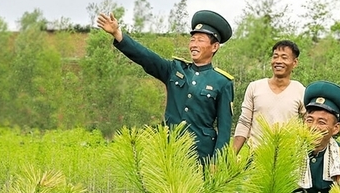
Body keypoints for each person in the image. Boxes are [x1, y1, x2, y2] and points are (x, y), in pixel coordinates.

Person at [96, 10, 235, 159]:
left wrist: (217, 162)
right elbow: (146, 57)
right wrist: (118, 34)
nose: (194, 45)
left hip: (201, 156)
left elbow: (224, 129)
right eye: (192, 40)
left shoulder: (222, 82)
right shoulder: (175, 70)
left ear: (214, 47)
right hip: (171, 153)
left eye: (200, 40)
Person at [233, 40, 306, 154]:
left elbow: (308, 123)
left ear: (295, 62)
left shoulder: (300, 90)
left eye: (284, 57)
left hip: (287, 158)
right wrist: (231, 156)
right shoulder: (255, 87)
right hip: (256, 156)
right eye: (275, 57)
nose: (278, 61)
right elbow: (244, 122)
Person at [296, 81, 340, 193]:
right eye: (309, 120)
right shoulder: (289, 151)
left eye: (321, 122)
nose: (313, 127)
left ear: (335, 129)